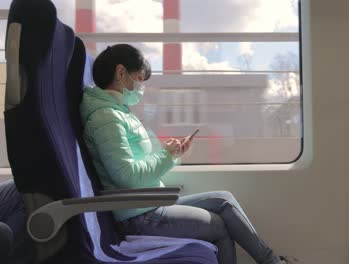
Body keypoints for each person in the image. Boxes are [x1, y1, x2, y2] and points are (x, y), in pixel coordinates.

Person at [80, 44, 300, 264]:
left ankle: (271, 262)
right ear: (121, 73)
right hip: (138, 216)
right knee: (219, 227)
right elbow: (126, 175)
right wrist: (166, 156)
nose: (141, 87)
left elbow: (137, 160)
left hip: (148, 203)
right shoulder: (106, 117)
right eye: (139, 78)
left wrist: (172, 152)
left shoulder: (119, 113)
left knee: (224, 200)